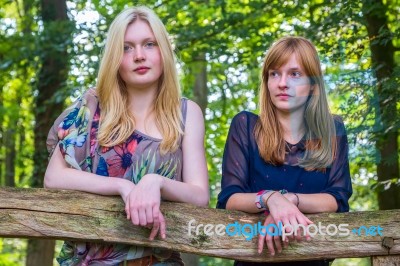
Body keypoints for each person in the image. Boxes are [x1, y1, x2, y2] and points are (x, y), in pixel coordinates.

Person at [45, 6, 209, 266]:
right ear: (114, 58)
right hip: (89, 259)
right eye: (127, 48)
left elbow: (200, 195)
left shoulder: (187, 113)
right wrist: (123, 187)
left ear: (163, 51)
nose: (139, 56)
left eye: (149, 44)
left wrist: (156, 182)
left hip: (158, 258)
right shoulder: (92, 105)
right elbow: (54, 177)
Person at [217, 36, 352, 266]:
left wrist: (288, 201)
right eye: (274, 74)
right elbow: (230, 198)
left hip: (311, 259)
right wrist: (270, 199)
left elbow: (337, 199)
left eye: (294, 74)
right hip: (255, 259)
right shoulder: (246, 126)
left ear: (313, 85)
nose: (282, 83)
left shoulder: (333, 129)